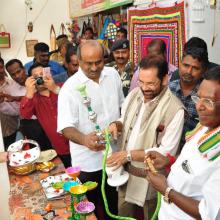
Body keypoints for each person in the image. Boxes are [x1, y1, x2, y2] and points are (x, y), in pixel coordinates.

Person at [106, 54, 185, 220]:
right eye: (141, 81)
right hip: (125, 172)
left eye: (151, 83)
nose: (144, 88)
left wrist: (128, 155)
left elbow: (165, 152)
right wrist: (117, 125)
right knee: (123, 214)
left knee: (151, 214)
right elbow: (123, 118)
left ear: (165, 79)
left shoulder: (175, 109)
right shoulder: (135, 93)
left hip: (151, 179)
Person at [57, 40, 124, 219]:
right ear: (78, 60)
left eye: (99, 62)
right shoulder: (69, 89)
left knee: (115, 206)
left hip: (115, 155)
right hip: (88, 162)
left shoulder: (113, 75)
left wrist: (118, 124)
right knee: (91, 209)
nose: (94, 67)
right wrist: (85, 139)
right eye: (89, 63)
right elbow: (65, 127)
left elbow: (122, 107)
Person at [145, 66, 220, 220]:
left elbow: (206, 213)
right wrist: (169, 162)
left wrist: (166, 190)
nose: (199, 106)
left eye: (208, 102)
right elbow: (192, 164)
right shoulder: (204, 126)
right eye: (198, 98)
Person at [20, 63, 71, 168]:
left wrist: (55, 89)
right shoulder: (33, 99)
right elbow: (25, 114)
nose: (40, 79)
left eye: (42, 74)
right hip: (60, 147)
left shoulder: (62, 87)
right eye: (36, 77)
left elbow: (75, 102)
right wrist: (29, 94)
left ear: (49, 74)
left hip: (77, 140)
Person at [6, 59, 52, 150]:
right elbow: (16, 112)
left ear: (24, 68)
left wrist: (17, 98)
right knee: (39, 152)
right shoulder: (10, 90)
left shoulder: (38, 79)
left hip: (48, 119)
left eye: (19, 71)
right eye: (13, 74)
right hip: (30, 126)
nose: (17, 76)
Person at [169, 46, 209, 151]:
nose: (189, 71)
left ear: (204, 71)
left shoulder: (207, 97)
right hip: (164, 150)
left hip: (193, 153)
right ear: (179, 64)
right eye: (186, 65)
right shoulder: (168, 89)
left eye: (195, 68)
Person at [0, 57, 22, 149]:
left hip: (10, 131)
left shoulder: (14, 84)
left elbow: (19, 111)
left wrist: (4, 101)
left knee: (9, 157)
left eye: (0, 67)